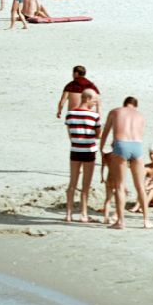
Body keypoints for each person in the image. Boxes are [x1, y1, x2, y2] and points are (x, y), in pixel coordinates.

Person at [99, 97, 153, 230]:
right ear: (135, 106)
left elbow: (105, 132)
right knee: (140, 186)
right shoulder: (140, 115)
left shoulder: (116, 111)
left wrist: (101, 149)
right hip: (137, 146)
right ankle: (146, 221)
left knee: (119, 186)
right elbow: (141, 133)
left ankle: (121, 221)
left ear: (124, 104)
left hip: (121, 145)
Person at [64, 91, 100, 222]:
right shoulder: (94, 115)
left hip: (75, 149)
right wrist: (99, 110)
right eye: (94, 100)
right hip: (89, 150)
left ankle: (68, 213)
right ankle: (83, 213)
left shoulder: (70, 113)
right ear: (88, 99)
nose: (95, 102)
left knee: (72, 182)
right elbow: (98, 134)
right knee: (86, 184)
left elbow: (70, 133)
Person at [129, 146, 153, 213]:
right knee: (145, 183)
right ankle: (138, 205)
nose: (152, 156)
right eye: (150, 154)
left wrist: (147, 187)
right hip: (149, 193)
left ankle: (143, 205)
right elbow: (139, 179)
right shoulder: (147, 167)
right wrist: (146, 181)